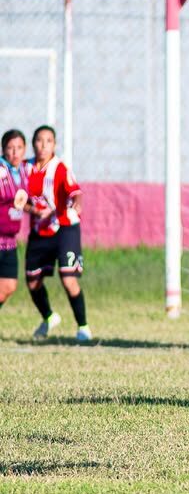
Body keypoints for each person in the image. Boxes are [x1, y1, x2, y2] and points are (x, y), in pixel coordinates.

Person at [25, 125, 90, 341]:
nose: (43, 145)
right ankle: (49, 317)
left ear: (54, 145)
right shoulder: (25, 168)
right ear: (33, 144)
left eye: (49, 141)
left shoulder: (60, 168)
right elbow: (18, 196)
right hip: (39, 231)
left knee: (68, 277)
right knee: (33, 281)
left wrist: (77, 203)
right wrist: (30, 208)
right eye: (39, 140)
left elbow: (75, 192)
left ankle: (83, 327)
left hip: (65, 227)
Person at [0, 130, 31, 313]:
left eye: (19, 147)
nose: (15, 152)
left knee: (9, 285)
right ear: (3, 149)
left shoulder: (24, 171)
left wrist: (35, 210)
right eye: (10, 148)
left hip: (10, 240)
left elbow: (20, 201)